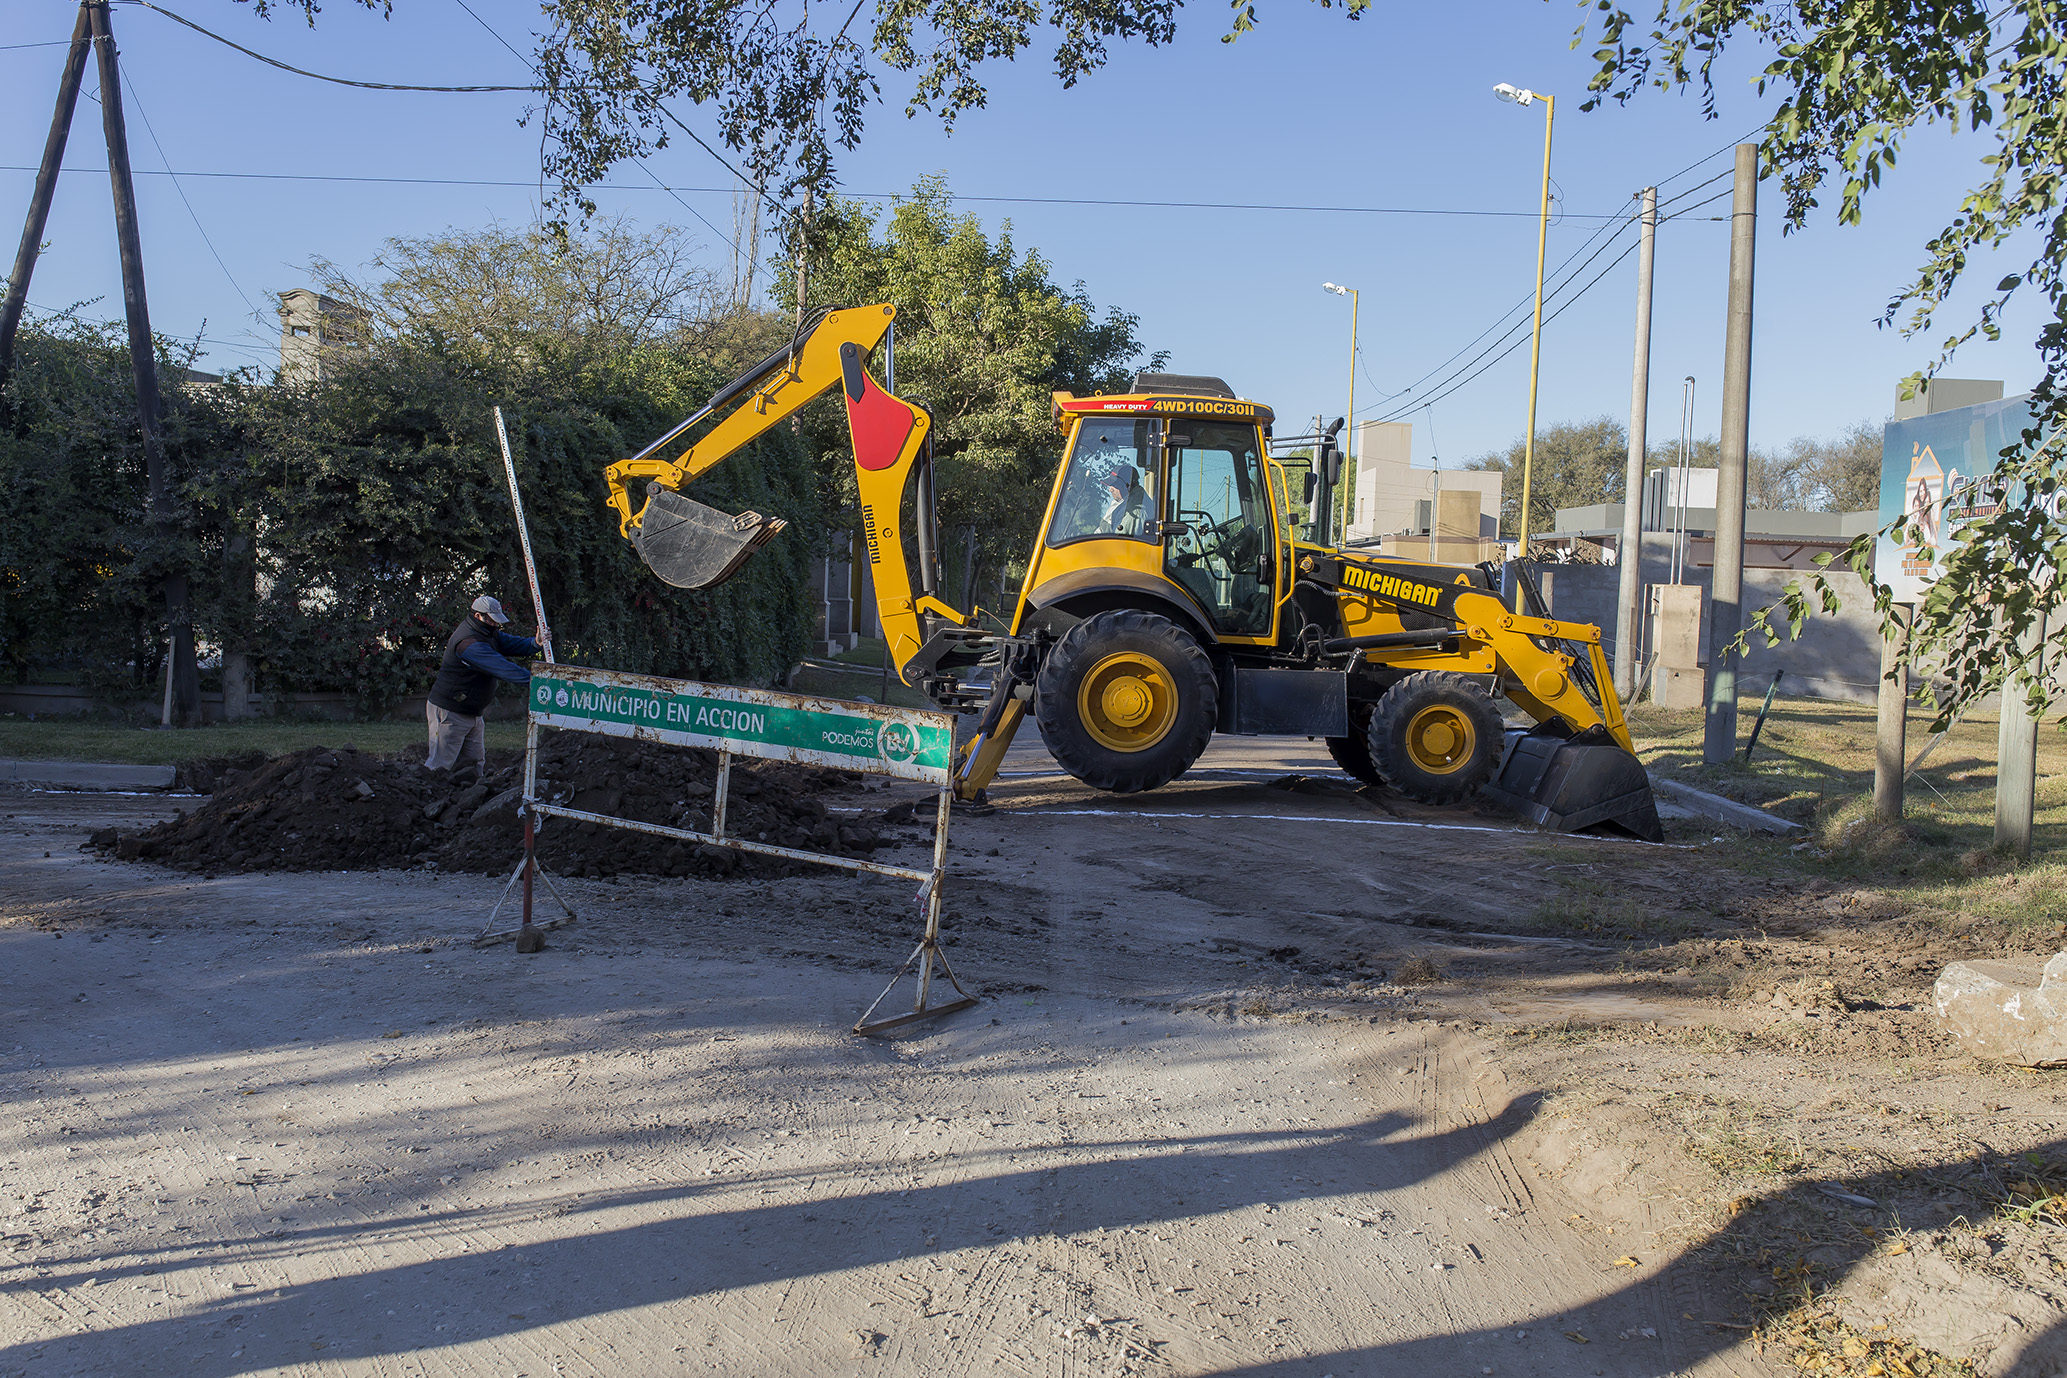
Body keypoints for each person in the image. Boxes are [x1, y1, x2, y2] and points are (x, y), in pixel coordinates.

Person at [426, 595, 539, 781]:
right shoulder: (468, 643)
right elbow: (501, 667)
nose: (496, 625)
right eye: (492, 621)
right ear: (478, 616)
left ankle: (470, 795)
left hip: (472, 713)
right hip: (450, 712)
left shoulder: (487, 632)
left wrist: (535, 643)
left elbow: (509, 643)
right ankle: (429, 796)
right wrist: (537, 682)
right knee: (440, 766)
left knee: (474, 764)